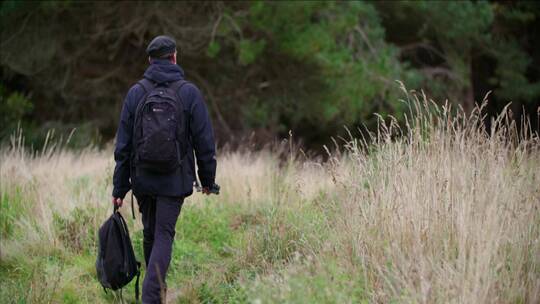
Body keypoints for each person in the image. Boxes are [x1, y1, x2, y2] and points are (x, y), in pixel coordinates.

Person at [111, 35, 218, 303]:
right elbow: (205, 142)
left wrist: (119, 188)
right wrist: (208, 180)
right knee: (163, 233)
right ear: (174, 57)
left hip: (143, 179)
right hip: (174, 180)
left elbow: (122, 145)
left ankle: (154, 292)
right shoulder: (188, 92)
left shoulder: (136, 93)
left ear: (150, 60)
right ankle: (152, 296)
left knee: (151, 232)